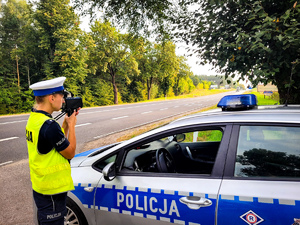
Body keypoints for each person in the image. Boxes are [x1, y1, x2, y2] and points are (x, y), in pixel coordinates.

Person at [25, 77, 79, 225]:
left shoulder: (35, 119)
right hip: (52, 192)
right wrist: (72, 126)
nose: (63, 101)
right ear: (51, 97)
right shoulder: (49, 125)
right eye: (61, 96)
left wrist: (65, 124)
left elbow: (52, 143)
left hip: (41, 187)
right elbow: (70, 152)